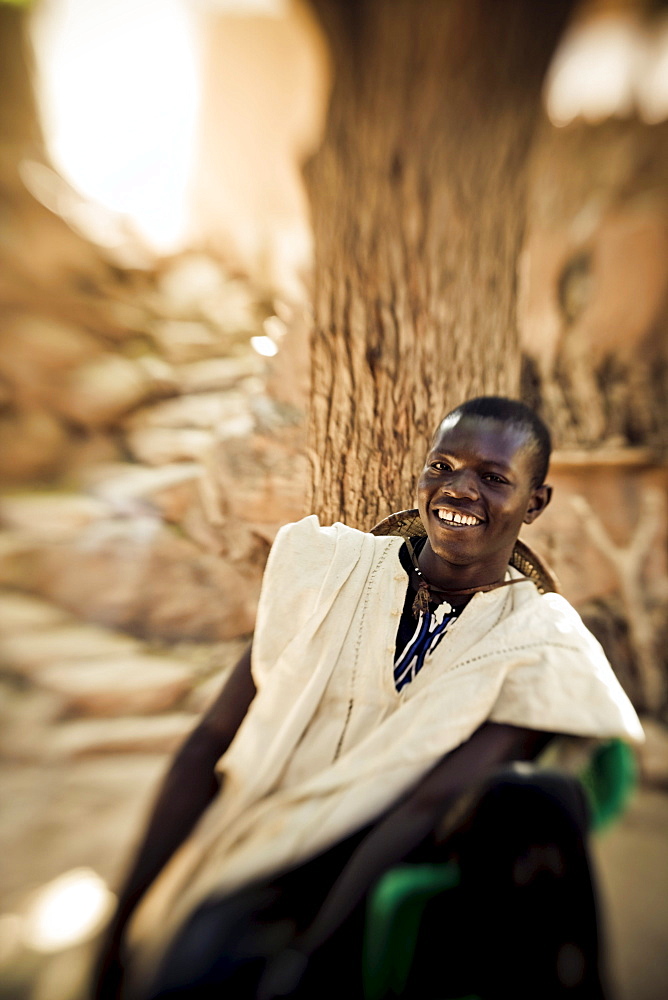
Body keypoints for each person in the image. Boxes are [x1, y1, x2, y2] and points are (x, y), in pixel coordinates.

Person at [94, 396, 643, 1000]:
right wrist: (118, 927)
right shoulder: (330, 572)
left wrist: (315, 953)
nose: (458, 489)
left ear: (534, 502)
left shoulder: (538, 639)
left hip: (389, 860)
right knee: (189, 970)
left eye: (492, 477)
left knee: (538, 801)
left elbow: (426, 802)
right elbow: (212, 740)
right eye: (442, 466)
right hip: (258, 842)